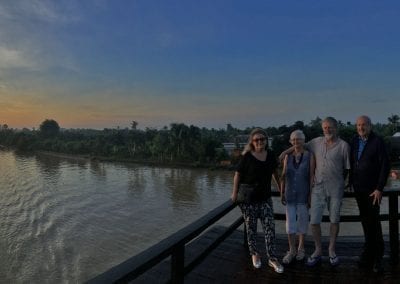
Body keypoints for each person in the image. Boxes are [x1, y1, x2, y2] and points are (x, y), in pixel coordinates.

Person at [279, 117, 350, 266]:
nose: (327, 130)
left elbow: (348, 169)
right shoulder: (316, 142)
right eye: (325, 128)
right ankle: (318, 250)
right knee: (314, 221)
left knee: (334, 220)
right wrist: (286, 151)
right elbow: (299, 144)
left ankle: (331, 250)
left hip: (336, 188)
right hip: (317, 187)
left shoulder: (344, 146)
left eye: (330, 127)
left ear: (336, 128)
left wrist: (347, 183)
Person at [231, 128, 284, 273]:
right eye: (256, 140)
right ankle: (254, 254)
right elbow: (237, 175)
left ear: (266, 140)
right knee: (251, 228)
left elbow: (275, 173)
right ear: (252, 142)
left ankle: (272, 258)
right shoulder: (247, 156)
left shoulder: (271, 155)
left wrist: (281, 189)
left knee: (269, 227)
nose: (260, 141)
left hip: (265, 198)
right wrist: (234, 193)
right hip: (249, 200)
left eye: (262, 139)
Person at [349, 115, 390, 273]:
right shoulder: (354, 141)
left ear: (370, 126)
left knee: (375, 224)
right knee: (365, 223)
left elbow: (385, 165)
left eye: (364, 125)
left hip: (373, 191)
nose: (361, 128)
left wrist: (379, 188)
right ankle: (368, 254)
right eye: (358, 125)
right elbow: (352, 162)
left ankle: (378, 258)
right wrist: (350, 181)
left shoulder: (377, 141)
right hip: (358, 189)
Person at [280, 130, 315, 264]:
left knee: (302, 222)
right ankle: (292, 250)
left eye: (299, 139)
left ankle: (301, 248)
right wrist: (282, 192)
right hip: (289, 194)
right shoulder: (287, 157)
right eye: (294, 140)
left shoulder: (309, 155)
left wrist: (310, 195)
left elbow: (311, 176)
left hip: (303, 194)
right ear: (291, 141)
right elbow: (283, 175)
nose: (296, 142)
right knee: (290, 224)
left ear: (304, 140)